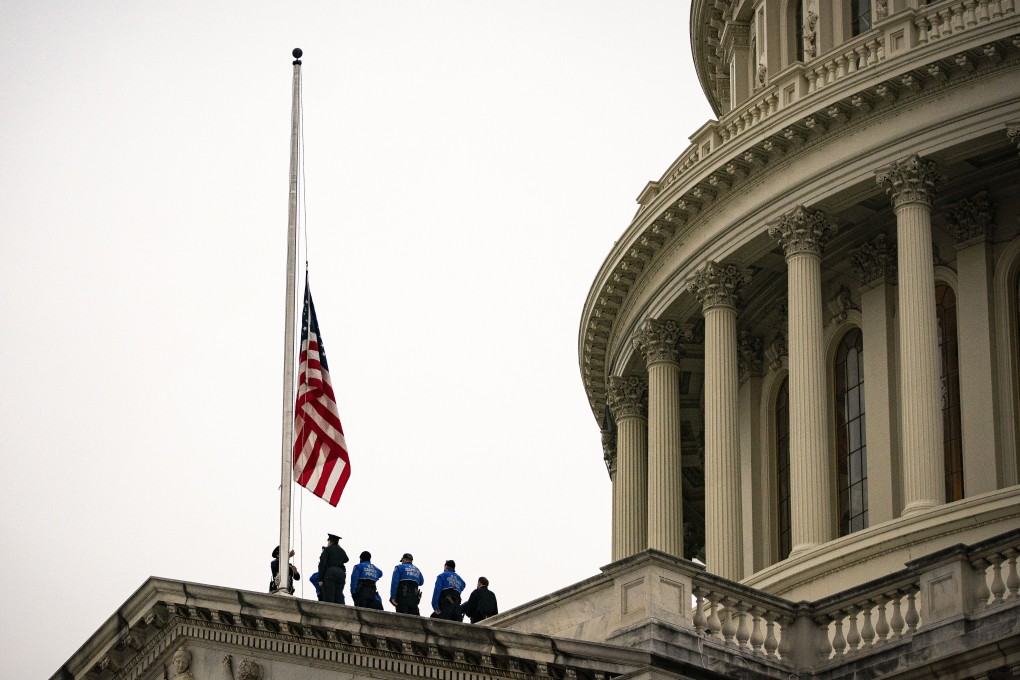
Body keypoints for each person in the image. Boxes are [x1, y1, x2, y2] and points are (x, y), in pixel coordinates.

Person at [317, 533, 349, 604]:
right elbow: (346, 559)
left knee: (329, 598)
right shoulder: (341, 550)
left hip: (330, 573)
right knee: (338, 598)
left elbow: (322, 564)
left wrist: (320, 579)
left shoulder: (327, 550)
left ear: (330, 541)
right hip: (341, 574)